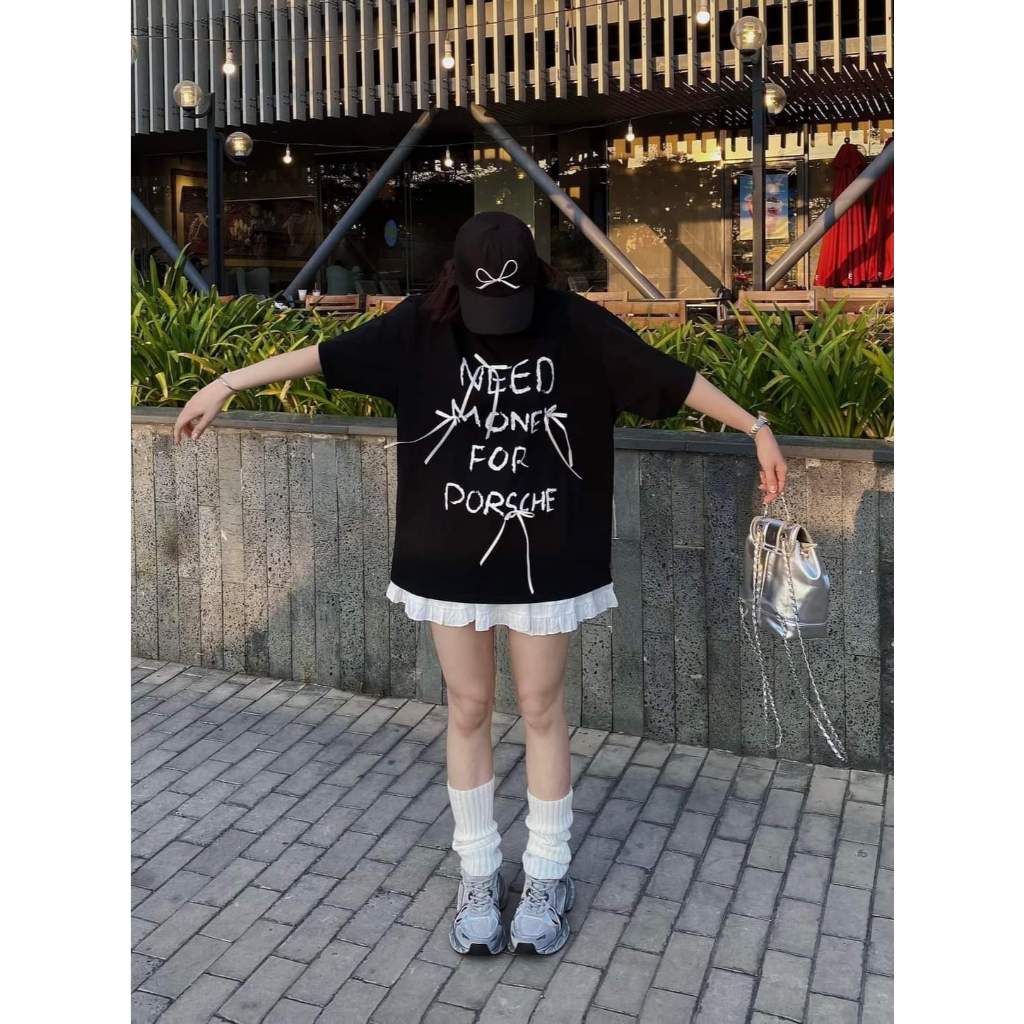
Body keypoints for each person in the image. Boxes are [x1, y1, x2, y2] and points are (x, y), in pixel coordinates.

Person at [172, 211, 787, 957]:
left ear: (535, 280)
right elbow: (325, 357)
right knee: (467, 706)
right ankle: (478, 870)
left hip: (546, 557)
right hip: (448, 556)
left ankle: (548, 873)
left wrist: (755, 426)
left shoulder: (574, 325)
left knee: (541, 707)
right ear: (456, 284)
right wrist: (227, 382)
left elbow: (669, 378)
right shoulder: (420, 326)